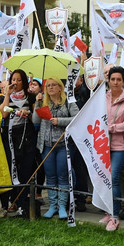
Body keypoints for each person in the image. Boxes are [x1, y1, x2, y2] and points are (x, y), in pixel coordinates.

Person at [32, 77, 79, 219]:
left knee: (62, 175)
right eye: (48, 86)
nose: (50, 88)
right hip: (46, 145)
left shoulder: (69, 102)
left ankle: (63, 207)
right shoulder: (44, 102)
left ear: (60, 88)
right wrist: (37, 103)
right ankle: (53, 206)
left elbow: (77, 118)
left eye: (53, 85)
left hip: (63, 144)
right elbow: (35, 120)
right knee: (50, 176)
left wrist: (60, 121)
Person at [0, 69, 37, 218]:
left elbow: (36, 116)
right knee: (12, 167)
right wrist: (7, 94)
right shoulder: (3, 98)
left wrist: (28, 113)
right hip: (11, 137)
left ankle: (23, 202)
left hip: (27, 136)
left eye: (18, 80)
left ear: (24, 82)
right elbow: (4, 113)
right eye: (13, 79)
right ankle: (13, 201)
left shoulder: (30, 97)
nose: (15, 82)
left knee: (26, 170)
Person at [103, 67, 124, 231]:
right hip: (103, 144)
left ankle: (114, 217)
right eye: (112, 79)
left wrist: (111, 128)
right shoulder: (103, 97)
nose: (115, 82)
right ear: (108, 80)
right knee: (105, 178)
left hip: (120, 145)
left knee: (114, 177)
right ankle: (109, 211)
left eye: (119, 79)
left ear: (123, 81)